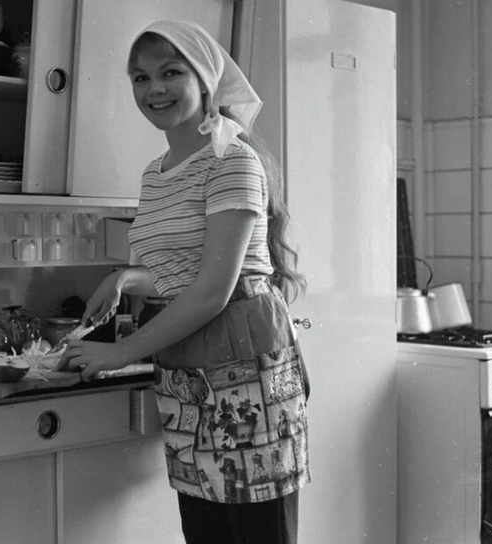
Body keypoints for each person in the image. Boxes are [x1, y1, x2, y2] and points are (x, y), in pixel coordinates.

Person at [58, 19, 310, 544]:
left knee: (258, 533)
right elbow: (184, 273)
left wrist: (119, 353)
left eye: (170, 72)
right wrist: (126, 277)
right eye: (140, 77)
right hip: (187, 366)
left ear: (205, 81)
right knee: (205, 531)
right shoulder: (157, 172)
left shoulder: (232, 160)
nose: (154, 89)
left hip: (245, 363)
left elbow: (214, 289)